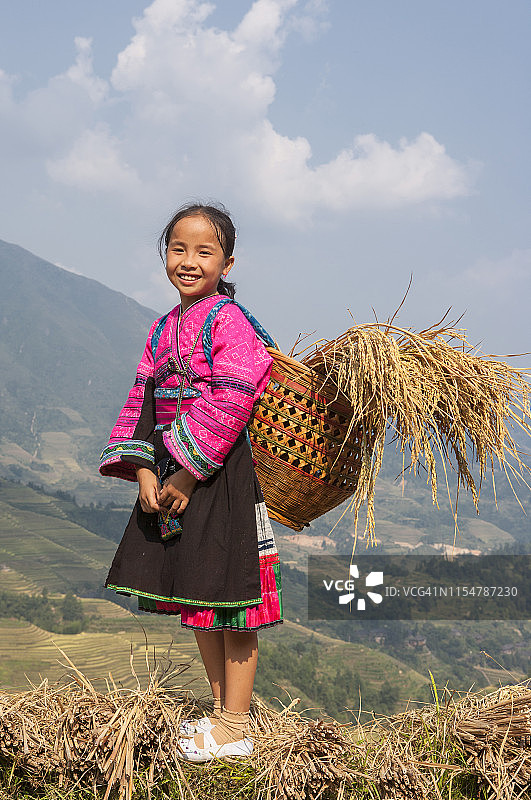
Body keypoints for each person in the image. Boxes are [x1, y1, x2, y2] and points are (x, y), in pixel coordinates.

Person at [99, 202, 283, 762]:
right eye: (178, 248)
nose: (189, 260)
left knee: (230, 598)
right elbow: (145, 401)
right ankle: (218, 712)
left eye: (204, 251)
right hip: (174, 475)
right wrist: (146, 471)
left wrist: (186, 470)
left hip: (219, 474)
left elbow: (235, 394)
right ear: (164, 256)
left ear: (228, 261)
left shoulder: (229, 321)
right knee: (197, 597)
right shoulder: (162, 328)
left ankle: (235, 723)